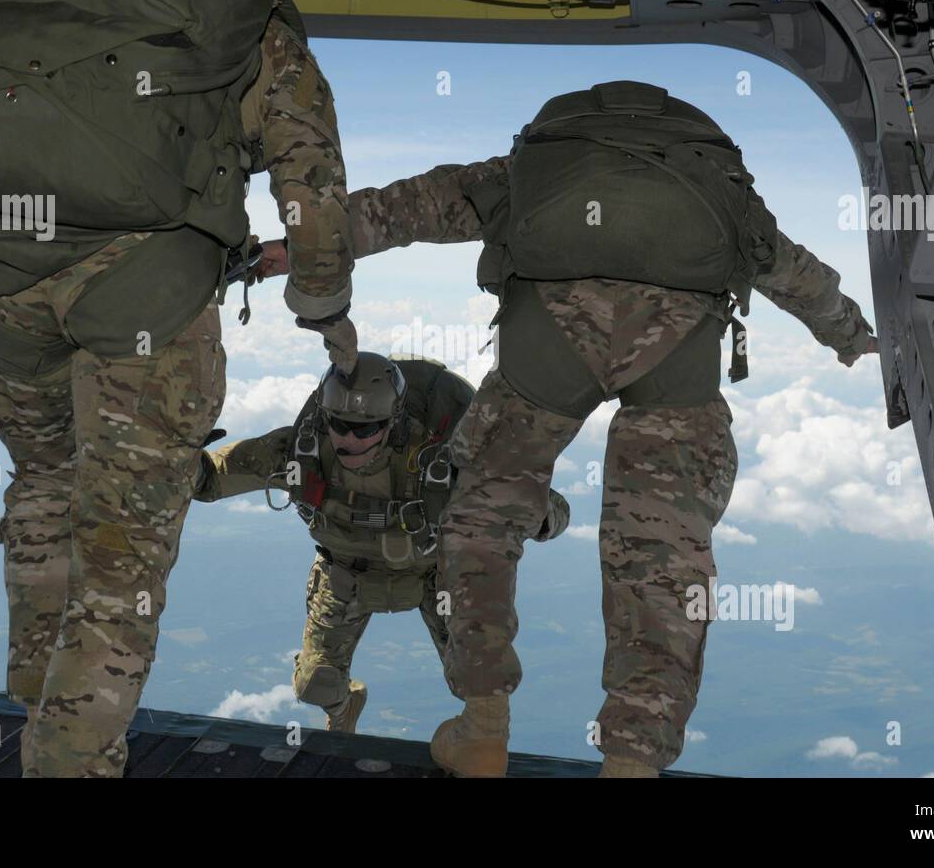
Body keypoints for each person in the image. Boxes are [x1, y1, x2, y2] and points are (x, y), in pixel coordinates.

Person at [260, 80, 878, 777]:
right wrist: (855, 338)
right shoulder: (719, 185)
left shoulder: (531, 168)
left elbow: (414, 206)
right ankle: (633, 761)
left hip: (547, 336)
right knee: (661, 550)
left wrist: (306, 246)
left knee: (482, 519)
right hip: (679, 345)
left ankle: (483, 727)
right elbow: (798, 274)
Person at [0, 0, 357, 776]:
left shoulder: (22, 5)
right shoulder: (247, 20)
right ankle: (68, 759)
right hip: (144, 294)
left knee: (43, 482)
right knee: (120, 556)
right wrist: (328, 310)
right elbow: (314, 186)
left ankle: (32, 696)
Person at [194, 352, 571, 731]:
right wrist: (183, 460)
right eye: (339, 425)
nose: (349, 440)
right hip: (346, 573)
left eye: (365, 429)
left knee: (479, 676)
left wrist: (532, 515)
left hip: (435, 575)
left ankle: (477, 743)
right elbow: (213, 478)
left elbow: (554, 509)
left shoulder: (444, 462)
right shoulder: (302, 451)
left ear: (394, 422)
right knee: (316, 684)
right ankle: (343, 709)